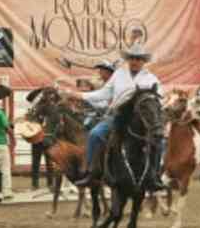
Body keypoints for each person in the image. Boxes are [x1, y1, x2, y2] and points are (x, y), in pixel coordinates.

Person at [62, 44, 166, 189]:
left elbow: (159, 99)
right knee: (95, 134)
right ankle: (91, 173)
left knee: (159, 141)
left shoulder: (151, 78)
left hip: (141, 120)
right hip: (118, 116)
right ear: (128, 59)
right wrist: (79, 95)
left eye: (138, 58)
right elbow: (104, 93)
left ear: (144, 61)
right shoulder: (119, 74)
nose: (135, 61)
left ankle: (154, 176)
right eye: (132, 58)